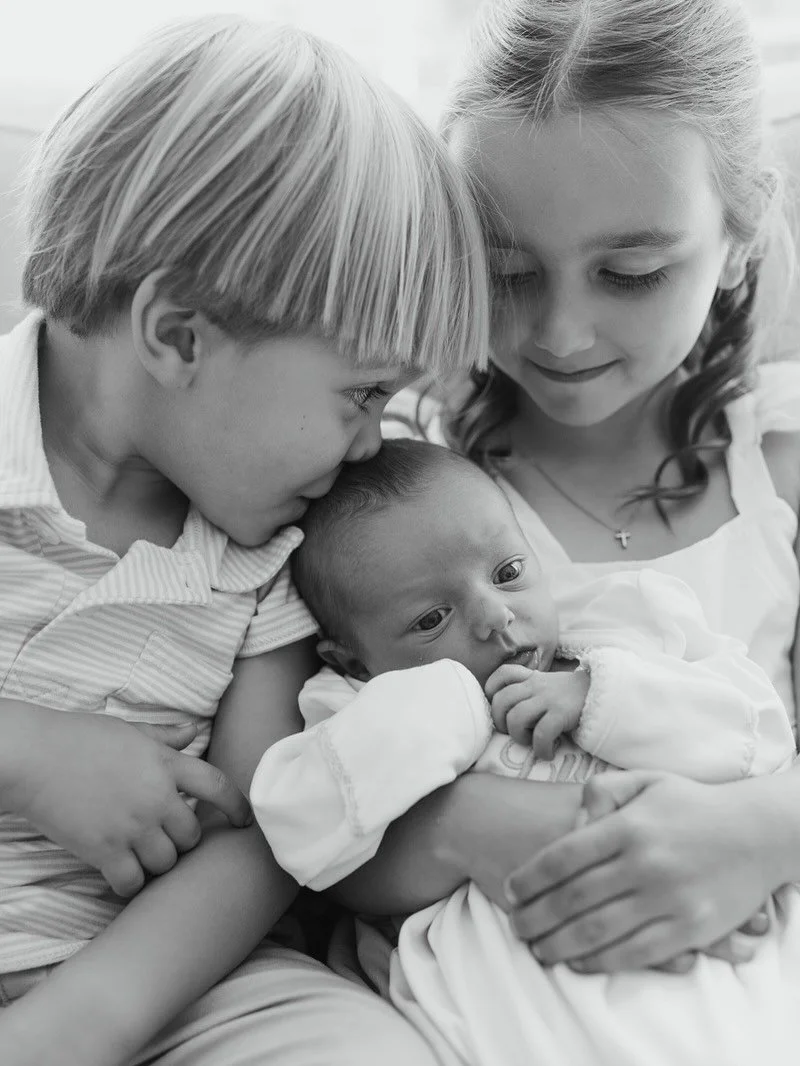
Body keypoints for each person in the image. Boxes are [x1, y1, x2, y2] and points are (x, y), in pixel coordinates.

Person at [0, 15, 488, 1066]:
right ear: (180, 334)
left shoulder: (272, 549)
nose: (372, 447)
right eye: (363, 392)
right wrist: (24, 755)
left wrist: (84, 1022)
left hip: (163, 986)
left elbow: (268, 828)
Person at [317, 0, 800, 1000]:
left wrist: (761, 828)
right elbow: (306, 822)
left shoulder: (777, 461)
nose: (562, 333)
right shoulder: (392, 475)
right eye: (506, 272)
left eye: (630, 272)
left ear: (740, 237)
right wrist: (477, 823)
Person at [251, 438, 797, 1065]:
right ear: (352, 659)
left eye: (509, 573)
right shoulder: (355, 705)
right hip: (514, 979)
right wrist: (447, 701)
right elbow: (299, 827)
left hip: (704, 933)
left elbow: (758, 736)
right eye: (431, 619)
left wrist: (602, 695)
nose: (495, 617)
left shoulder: (625, 627)